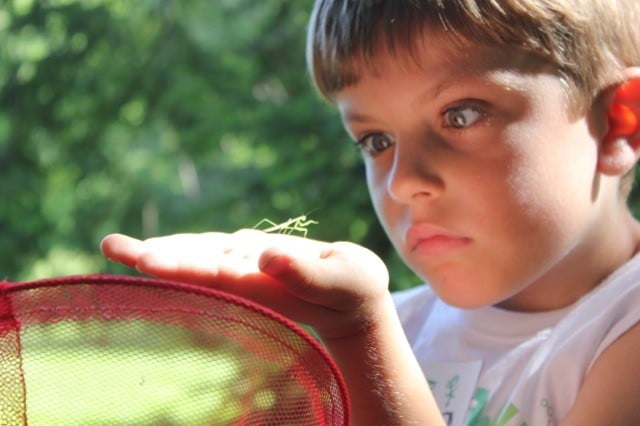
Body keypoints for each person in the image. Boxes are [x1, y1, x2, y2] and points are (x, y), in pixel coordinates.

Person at [101, 0, 640, 424]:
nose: (404, 181)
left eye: (461, 115)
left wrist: (359, 336)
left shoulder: (624, 329)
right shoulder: (403, 327)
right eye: (376, 139)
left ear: (620, 123)